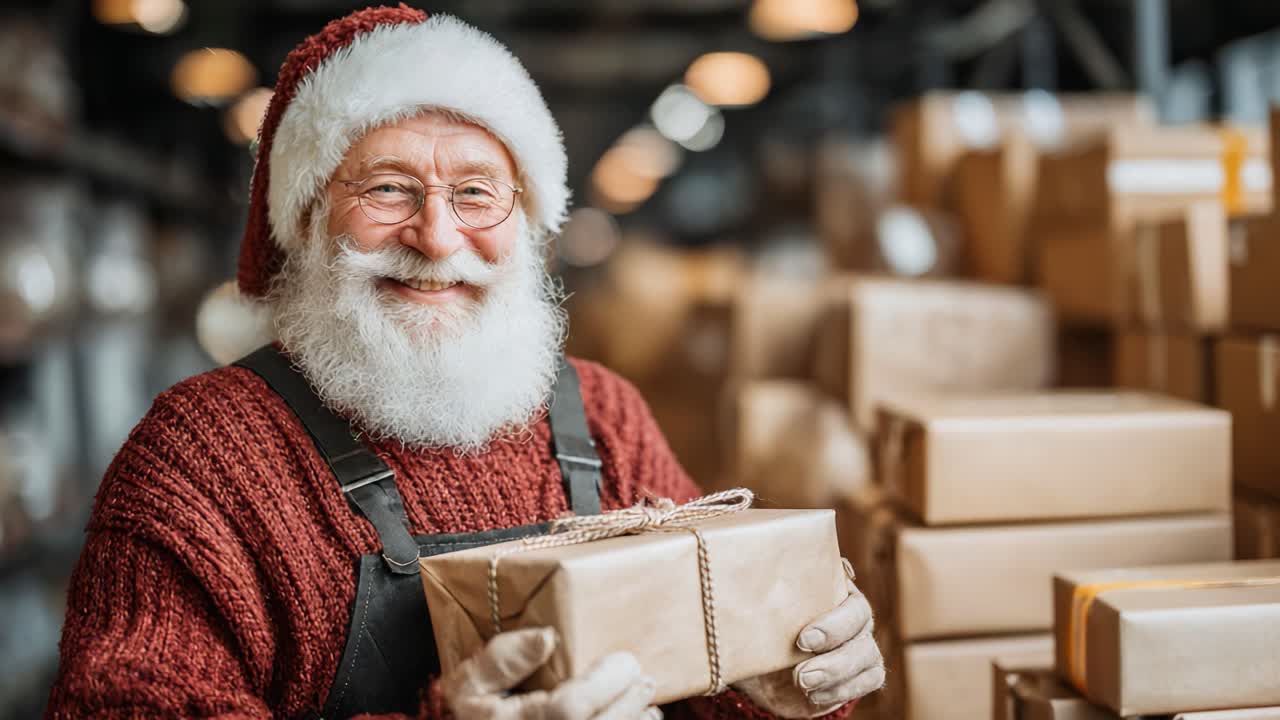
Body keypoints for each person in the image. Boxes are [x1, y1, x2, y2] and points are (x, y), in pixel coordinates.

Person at [44, 6, 884, 719]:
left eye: (476, 193)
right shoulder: (201, 457)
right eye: (387, 190)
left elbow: (704, 663)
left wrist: (771, 684)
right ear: (304, 221)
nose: (438, 238)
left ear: (527, 226)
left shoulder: (603, 415)